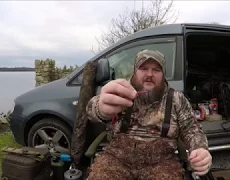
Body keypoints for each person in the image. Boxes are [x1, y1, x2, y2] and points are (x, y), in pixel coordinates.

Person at [85, 49, 212, 180]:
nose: (149, 74)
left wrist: (200, 149)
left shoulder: (176, 99)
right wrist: (99, 108)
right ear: (135, 71)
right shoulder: (121, 91)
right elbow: (91, 111)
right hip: (117, 158)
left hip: (162, 162)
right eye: (143, 68)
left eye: (156, 70)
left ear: (163, 74)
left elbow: (192, 128)